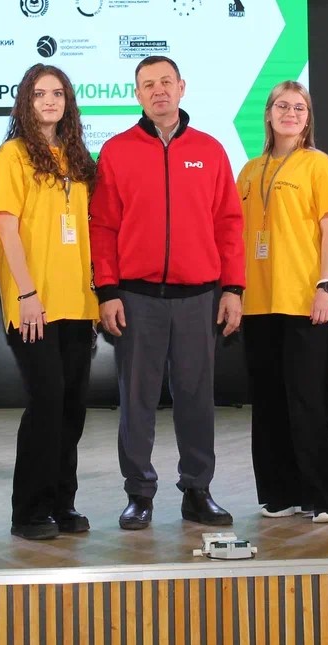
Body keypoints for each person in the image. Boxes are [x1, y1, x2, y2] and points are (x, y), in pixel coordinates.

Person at [90, 55, 245, 530]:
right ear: (137, 94)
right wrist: (107, 290)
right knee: (136, 400)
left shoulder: (211, 150)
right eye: (148, 84)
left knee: (196, 398)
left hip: (199, 297)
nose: (158, 91)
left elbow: (229, 224)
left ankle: (197, 490)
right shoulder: (115, 151)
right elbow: (102, 226)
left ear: (182, 87)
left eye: (166, 82)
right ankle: (139, 493)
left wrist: (233, 288)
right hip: (136, 299)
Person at [0, 63, 100, 540]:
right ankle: (29, 511)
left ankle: (62, 503)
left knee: (72, 407)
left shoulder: (77, 157)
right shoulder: (13, 155)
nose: (50, 101)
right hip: (34, 302)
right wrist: (27, 292)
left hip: (78, 302)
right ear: (25, 102)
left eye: (57, 94)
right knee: (47, 401)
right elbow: (5, 227)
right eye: (39, 94)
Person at [239, 80, 328, 524]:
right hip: (257, 303)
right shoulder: (249, 171)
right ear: (268, 114)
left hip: (304, 299)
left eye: (299, 108)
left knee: (308, 401)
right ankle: (279, 493)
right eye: (282, 106)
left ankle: (323, 498)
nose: (290, 114)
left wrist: (326, 284)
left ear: (307, 118)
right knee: (268, 403)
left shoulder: (318, 164)